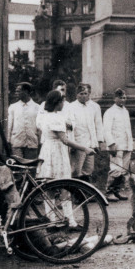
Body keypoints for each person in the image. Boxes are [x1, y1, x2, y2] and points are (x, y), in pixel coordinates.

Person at [37, 90, 96, 231]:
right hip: (56, 153)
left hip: (47, 151)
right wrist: (85, 148)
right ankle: (70, 221)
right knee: (65, 187)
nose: (64, 104)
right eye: (62, 101)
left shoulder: (48, 116)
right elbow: (65, 140)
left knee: (50, 187)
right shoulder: (55, 118)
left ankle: (52, 222)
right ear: (57, 103)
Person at [103, 88, 133, 202]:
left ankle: (117, 191)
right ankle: (109, 191)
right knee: (115, 169)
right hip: (116, 145)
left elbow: (127, 129)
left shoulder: (125, 111)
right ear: (115, 98)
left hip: (126, 144)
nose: (122, 100)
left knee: (124, 170)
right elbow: (106, 130)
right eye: (120, 97)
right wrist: (111, 144)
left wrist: (130, 145)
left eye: (124, 97)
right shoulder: (110, 112)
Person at [68, 84, 103, 182]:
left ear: (89, 94)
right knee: (76, 170)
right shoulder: (71, 107)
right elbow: (70, 128)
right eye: (81, 93)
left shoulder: (95, 107)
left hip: (91, 144)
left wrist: (98, 143)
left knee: (88, 169)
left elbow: (98, 125)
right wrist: (72, 146)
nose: (83, 96)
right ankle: (75, 193)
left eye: (86, 93)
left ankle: (85, 193)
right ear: (76, 95)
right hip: (78, 144)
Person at [8, 82, 40, 159]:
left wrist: (40, 141)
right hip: (16, 143)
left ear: (26, 92)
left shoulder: (37, 107)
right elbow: (9, 125)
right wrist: (8, 141)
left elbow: (40, 126)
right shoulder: (13, 107)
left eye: (18, 91)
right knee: (17, 167)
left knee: (30, 167)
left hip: (32, 143)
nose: (16, 93)